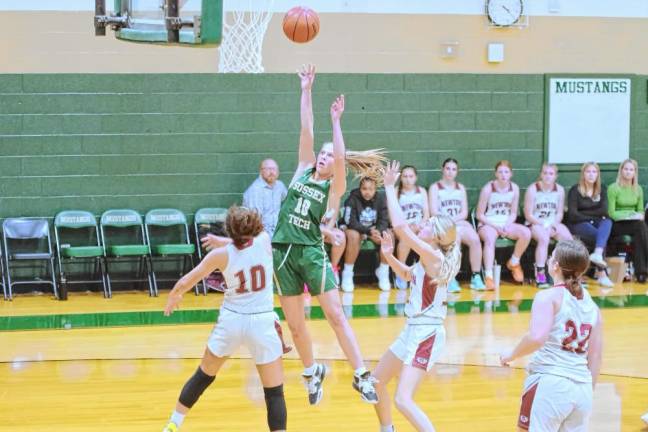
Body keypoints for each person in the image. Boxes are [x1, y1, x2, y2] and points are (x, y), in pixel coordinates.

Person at [270, 64, 386, 405]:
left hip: (310, 253)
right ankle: (311, 372)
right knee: (295, 326)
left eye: (328, 155)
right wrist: (306, 90)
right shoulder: (301, 173)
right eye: (320, 155)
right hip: (282, 253)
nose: (322, 157)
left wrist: (336, 122)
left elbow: (338, 154)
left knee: (335, 315)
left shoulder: (335, 187)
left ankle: (361, 374)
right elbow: (306, 130)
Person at [162, 206, 288, 432]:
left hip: (232, 321)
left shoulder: (221, 255)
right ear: (256, 226)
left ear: (230, 231)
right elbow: (246, 240)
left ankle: (173, 424)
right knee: (274, 392)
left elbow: (186, 282)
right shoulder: (264, 240)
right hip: (261, 321)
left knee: (203, 375)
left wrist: (174, 297)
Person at [371, 160, 461, 432]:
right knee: (375, 383)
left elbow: (400, 228)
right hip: (413, 329)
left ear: (435, 237)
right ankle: (388, 429)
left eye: (428, 224)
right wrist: (388, 257)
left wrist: (389, 187)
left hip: (427, 333)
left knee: (403, 399)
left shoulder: (433, 255)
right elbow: (410, 275)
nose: (422, 223)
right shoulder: (428, 258)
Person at [500, 239, 603, 432]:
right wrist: (588, 389)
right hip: (582, 389)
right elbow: (595, 356)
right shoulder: (593, 307)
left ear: (555, 265)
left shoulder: (548, 297)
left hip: (550, 383)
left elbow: (536, 338)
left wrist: (510, 355)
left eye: (551, 256)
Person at [429, 158, 486, 292]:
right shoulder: (435, 187)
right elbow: (434, 212)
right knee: (455, 239)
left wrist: (454, 221)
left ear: (457, 172)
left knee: (475, 239)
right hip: (441, 224)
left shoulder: (460, 188)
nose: (450, 172)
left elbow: (464, 212)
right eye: (448, 168)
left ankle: (476, 276)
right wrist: (450, 222)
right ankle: (451, 277)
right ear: (442, 169)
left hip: (458, 222)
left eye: (453, 169)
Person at [476, 160, 531, 290]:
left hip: (506, 223)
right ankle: (489, 277)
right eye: (500, 172)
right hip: (488, 222)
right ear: (495, 174)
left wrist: (506, 226)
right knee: (490, 239)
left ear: (511, 174)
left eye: (506, 172)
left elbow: (513, 213)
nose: (503, 175)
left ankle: (514, 262)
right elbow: (479, 215)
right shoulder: (488, 189)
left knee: (526, 233)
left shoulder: (515, 188)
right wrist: (496, 227)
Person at [524, 164, 573, 289]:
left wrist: (553, 225)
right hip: (535, 223)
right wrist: (543, 225)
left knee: (568, 239)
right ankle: (540, 273)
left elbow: (560, 213)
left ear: (556, 176)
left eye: (551, 173)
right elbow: (528, 214)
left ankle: (568, 272)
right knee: (544, 238)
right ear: (541, 174)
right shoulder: (533, 189)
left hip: (552, 222)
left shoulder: (560, 190)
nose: (547, 176)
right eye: (545, 173)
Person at [340, 176, 392, 292]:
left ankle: (383, 271)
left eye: (371, 189)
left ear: (375, 189)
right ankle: (347, 274)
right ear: (359, 188)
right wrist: (367, 231)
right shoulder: (352, 199)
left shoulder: (381, 199)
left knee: (389, 235)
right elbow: (349, 221)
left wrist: (378, 230)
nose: (367, 192)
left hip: (372, 230)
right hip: (355, 230)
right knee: (354, 235)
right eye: (364, 189)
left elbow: (384, 220)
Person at [566, 162, 613, 287]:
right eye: (588, 172)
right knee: (600, 237)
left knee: (607, 222)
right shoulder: (575, 190)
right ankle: (602, 274)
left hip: (594, 222)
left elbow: (604, 211)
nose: (591, 175)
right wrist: (592, 218)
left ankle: (597, 254)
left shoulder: (602, 189)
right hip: (577, 224)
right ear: (583, 174)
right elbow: (573, 215)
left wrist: (589, 215)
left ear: (598, 174)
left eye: (594, 172)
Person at [607, 158, 648, 283]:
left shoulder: (638, 189)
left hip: (634, 224)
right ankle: (642, 272)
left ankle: (641, 274)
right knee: (640, 227)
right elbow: (611, 213)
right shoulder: (613, 188)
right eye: (626, 169)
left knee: (640, 231)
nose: (628, 172)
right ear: (621, 171)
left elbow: (641, 210)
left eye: (631, 169)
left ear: (635, 172)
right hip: (617, 224)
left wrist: (638, 215)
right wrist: (629, 214)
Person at [393, 165, 430, 290]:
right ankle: (401, 273)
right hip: (401, 226)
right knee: (406, 237)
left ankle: (426, 273)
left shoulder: (422, 191)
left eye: (411, 176)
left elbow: (426, 214)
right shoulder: (395, 191)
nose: (408, 179)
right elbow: (392, 214)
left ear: (416, 178)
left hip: (419, 226)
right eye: (405, 176)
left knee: (430, 238)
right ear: (400, 178)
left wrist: (421, 224)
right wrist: (406, 225)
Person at [242, 158, 288, 237]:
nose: (272, 172)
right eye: (268, 169)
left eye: (274, 169)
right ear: (261, 171)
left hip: (278, 231)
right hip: (261, 234)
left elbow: (289, 201)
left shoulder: (280, 186)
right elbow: (256, 222)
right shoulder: (255, 190)